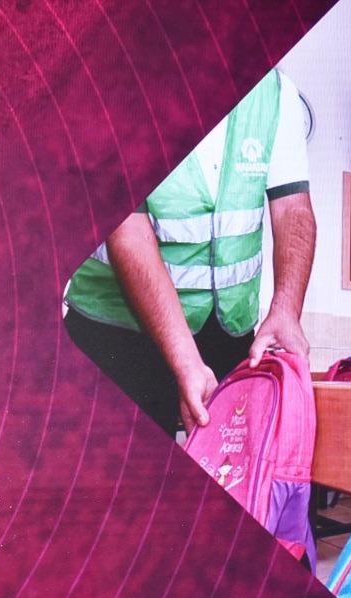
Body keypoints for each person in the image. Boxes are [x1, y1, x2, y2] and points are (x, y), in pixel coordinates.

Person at [64, 69, 315, 435]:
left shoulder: (274, 93)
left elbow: (293, 208)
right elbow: (128, 234)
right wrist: (186, 364)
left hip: (225, 334)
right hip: (117, 332)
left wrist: (286, 310)